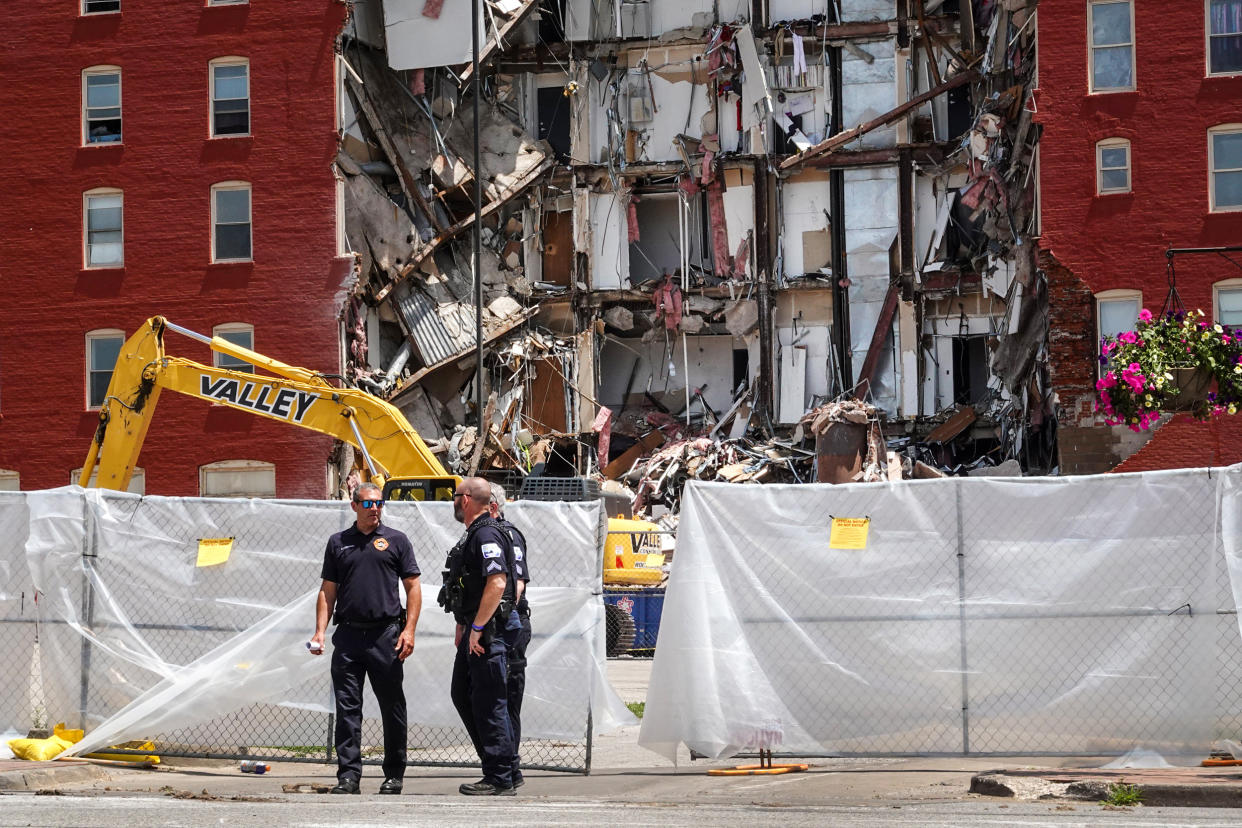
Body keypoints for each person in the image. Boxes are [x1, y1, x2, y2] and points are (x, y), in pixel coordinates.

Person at [310, 482, 421, 796]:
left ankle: (394, 774)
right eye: (369, 504)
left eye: (379, 503)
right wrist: (320, 631)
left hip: (385, 635)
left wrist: (409, 630)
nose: (375, 509)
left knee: (392, 706)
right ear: (354, 505)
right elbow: (327, 591)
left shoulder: (396, 541)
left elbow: (413, 588)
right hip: (347, 636)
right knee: (347, 709)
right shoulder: (338, 543)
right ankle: (348, 776)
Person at [445, 476, 519, 796]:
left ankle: (500, 775)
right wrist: (465, 624)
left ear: (465, 500)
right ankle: (502, 767)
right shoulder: (475, 533)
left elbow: (498, 583)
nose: (453, 501)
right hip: (477, 631)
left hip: (489, 634)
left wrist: (477, 628)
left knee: (489, 704)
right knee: (463, 694)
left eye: (455, 495)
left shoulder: (486, 532)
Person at [489, 482, 531, 789]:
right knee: (492, 698)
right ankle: (503, 766)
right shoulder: (486, 532)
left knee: (506, 699)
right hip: (495, 623)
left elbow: (515, 585)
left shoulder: (506, 534)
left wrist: (504, 617)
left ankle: (509, 769)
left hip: (507, 623)